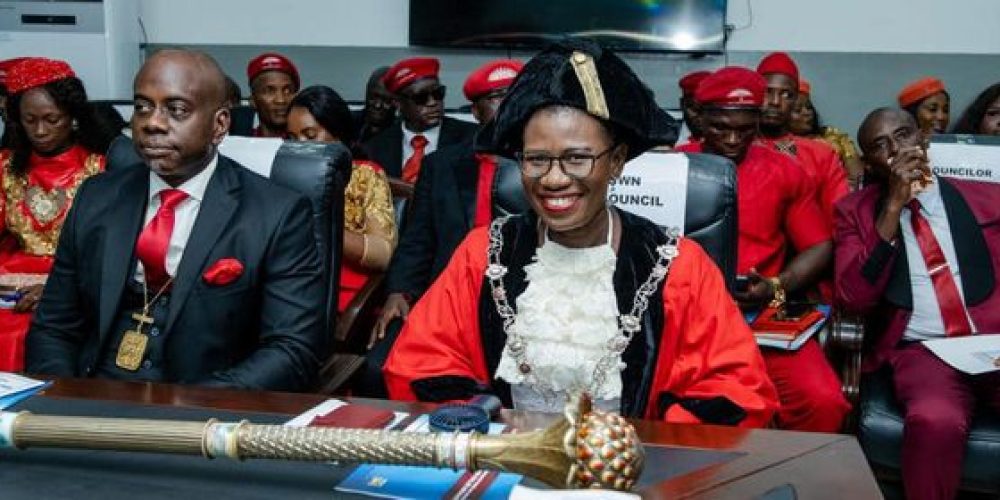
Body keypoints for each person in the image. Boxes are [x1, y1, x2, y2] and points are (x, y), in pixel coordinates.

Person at [383, 40, 777, 427]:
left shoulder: (679, 266)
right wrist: (484, 426)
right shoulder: (483, 254)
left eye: (577, 158)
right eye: (536, 159)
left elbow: (735, 390)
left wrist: (640, 448)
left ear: (617, 162)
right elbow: (422, 365)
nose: (554, 179)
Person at [26, 49, 326, 391]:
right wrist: (64, 401)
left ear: (219, 125)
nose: (152, 122)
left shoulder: (277, 213)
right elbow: (54, 326)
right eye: (142, 107)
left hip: (205, 406)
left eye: (176, 110)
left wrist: (195, 411)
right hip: (94, 394)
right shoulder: (97, 196)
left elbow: (291, 350)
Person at [834, 107, 1000, 500]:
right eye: (880, 146)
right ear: (870, 162)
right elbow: (853, 298)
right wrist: (892, 207)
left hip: (993, 340)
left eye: (904, 135)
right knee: (934, 419)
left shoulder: (988, 197)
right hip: (924, 350)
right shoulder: (855, 212)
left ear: (923, 141)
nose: (896, 149)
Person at [676, 67, 850, 432]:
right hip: (686, 323)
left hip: (758, 319)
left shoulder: (784, 171)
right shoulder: (672, 168)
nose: (733, 139)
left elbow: (819, 245)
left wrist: (776, 284)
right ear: (699, 117)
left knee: (824, 401)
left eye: (744, 128)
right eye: (721, 127)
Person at [361, 59, 523, 397]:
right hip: (449, 298)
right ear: (476, 110)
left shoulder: (544, 165)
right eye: (498, 98)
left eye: (517, 95)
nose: (511, 105)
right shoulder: (442, 165)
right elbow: (418, 240)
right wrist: (399, 291)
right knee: (379, 367)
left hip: (522, 301)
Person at [0, 57, 116, 372]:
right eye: (30, 120)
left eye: (52, 119)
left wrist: (57, 291)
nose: (40, 130)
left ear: (72, 118)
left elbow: (107, 254)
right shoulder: (5, 167)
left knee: (24, 334)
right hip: (9, 286)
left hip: (70, 285)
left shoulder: (100, 169)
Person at [286, 85, 396, 312]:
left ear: (338, 136)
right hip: (290, 286)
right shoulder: (284, 176)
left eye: (310, 136)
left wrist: (322, 227)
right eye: (292, 138)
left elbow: (383, 253)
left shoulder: (365, 175)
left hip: (342, 295)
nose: (299, 147)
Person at [755, 53, 848, 222]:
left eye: (786, 95)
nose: (775, 101)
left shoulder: (821, 154)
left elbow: (838, 217)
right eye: (767, 92)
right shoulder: (737, 147)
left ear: (795, 100)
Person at [363, 57, 477, 182]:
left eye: (438, 94)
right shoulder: (375, 148)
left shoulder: (472, 139)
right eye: (421, 98)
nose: (433, 103)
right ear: (398, 103)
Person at [789, 80, 865, 189]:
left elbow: (857, 179)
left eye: (809, 107)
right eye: (797, 110)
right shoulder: (780, 145)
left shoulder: (833, 136)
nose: (807, 113)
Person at [246, 52, 300, 138]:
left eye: (288, 91)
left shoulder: (308, 145)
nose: (281, 100)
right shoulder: (241, 146)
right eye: (269, 91)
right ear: (253, 101)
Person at [354, 67, 397, 145]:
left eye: (386, 100)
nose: (377, 105)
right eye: (374, 97)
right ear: (367, 92)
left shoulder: (403, 135)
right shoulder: (345, 123)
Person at [675, 70, 710, 147]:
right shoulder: (667, 136)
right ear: (682, 105)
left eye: (706, 110)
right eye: (695, 110)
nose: (701, 118)